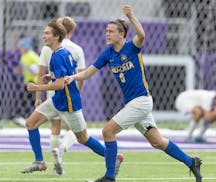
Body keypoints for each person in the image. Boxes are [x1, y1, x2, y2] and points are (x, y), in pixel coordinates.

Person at [65, 4, 202, 182]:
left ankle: (109, 177)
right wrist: (73, 77)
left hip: (141, 101)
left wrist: (131, 16)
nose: (107, 34)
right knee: (157, 141)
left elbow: (142, 35)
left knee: (107, 132)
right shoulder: (108, 53)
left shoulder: (131, 47)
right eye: (106, 30)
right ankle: (191, 161)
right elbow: (89, 72)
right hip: (133, 104)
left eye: (111, 31)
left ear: (121, 34)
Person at [20, 20, 124, 176]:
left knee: (83, 139)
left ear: (56, 36)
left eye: (47, 33)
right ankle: (39, 161)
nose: (43, 36)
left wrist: (37, 88)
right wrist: (50, 76)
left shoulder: (57, 56)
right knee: (31, 123)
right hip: (57, 101)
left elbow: (61, 85)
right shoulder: (61, 52)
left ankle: (114, 157)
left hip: (69, 104)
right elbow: (65, 74)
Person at [35, 16, 86, 175]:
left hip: (53, 93)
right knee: (73, 129)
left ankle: (56, 164)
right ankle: (61, 152)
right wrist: (77, 93)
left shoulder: (47, 48)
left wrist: (38, 96)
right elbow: (80, 75)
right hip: (69, 94)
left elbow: (41, 73)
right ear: (71, 31)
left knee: (54, 128)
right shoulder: (77, 49)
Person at [13, 37, 40, 127]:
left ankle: (24, 117)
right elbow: (25, 70)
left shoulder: (32, 55)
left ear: (26, 46)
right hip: (27, 82)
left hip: (34, 82)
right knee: (30, 100)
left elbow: (40, 67)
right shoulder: (23, 56)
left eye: (21, 46)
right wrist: (19, 71)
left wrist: (35, 70)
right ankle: (31, 118)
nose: (20, 48)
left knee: (25, 98)